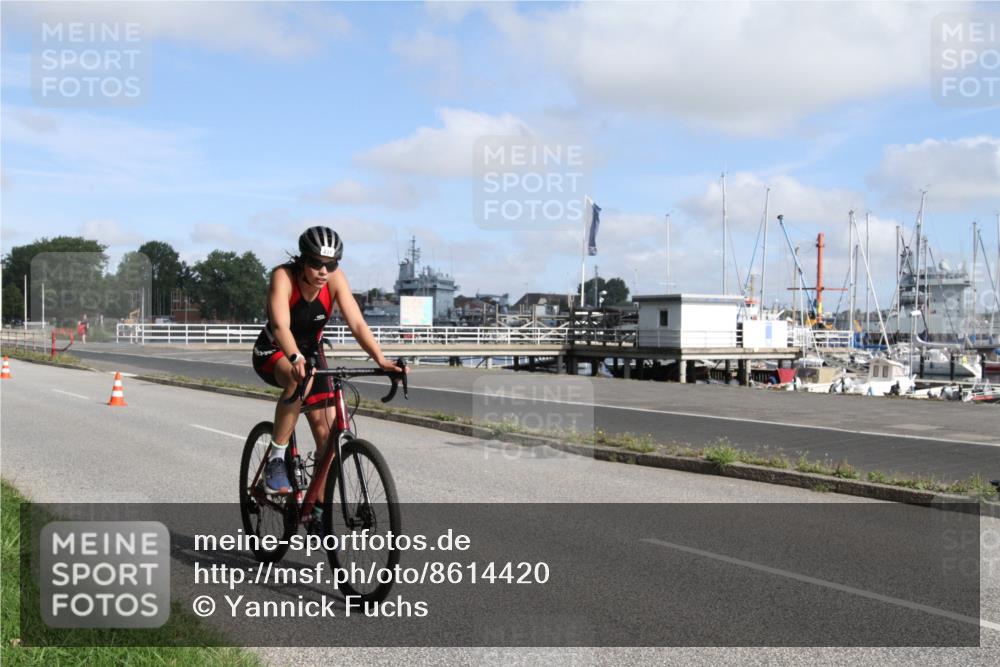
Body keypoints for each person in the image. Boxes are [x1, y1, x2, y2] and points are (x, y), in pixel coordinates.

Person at [251, 226, 403, 496]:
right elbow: (280, 326)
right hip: (275, 349)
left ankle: (317, 515)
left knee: (327, 438)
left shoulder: (335, 279)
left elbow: (356, 322)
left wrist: (381, 359)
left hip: (311, 351)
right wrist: (295, 357)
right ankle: (275, 460)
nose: (324, 271)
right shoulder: (283, 277)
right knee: (299, 379)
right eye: (316, 263)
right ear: (302, 260)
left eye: (331, 264)